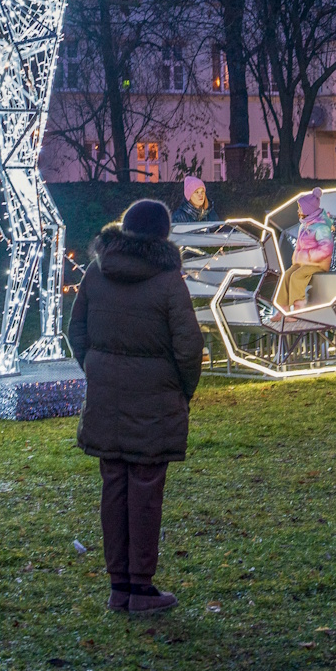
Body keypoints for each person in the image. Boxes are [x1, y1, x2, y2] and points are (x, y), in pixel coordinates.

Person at [67, 199, 204, 614]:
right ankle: (141, 587)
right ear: (163, 234)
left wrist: (97, 370)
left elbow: (77, 330)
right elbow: (189, 346)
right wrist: (182, 390)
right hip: (154, 400)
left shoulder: (96, 271)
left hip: (106, 398)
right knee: (145, 490)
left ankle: (119, 585)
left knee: (114, 487)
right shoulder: (168, 281)